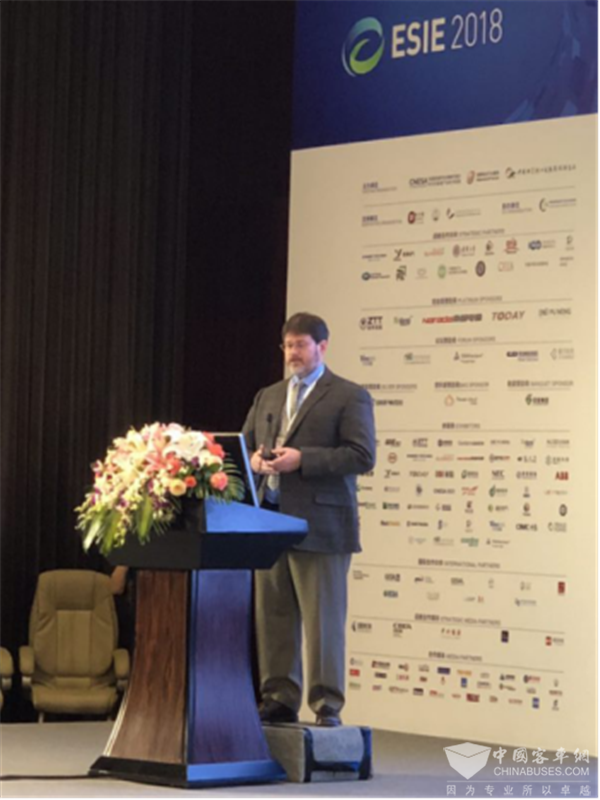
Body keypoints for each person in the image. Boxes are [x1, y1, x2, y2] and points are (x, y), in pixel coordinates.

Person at [242, 312, 376, 727]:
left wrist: (303, 460)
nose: (293, 354)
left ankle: (326, 704)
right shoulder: (268, 395)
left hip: (321, 526)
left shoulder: (348, 396)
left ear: (322, 346)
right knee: (273, 617)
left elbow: (361, 455)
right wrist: (253, 461)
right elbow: (245, 445)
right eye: (288, 346)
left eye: (301, 345)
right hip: (270, 521)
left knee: (323, 623)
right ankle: (279, 698)